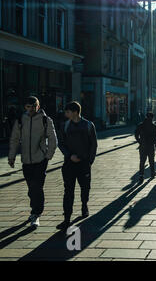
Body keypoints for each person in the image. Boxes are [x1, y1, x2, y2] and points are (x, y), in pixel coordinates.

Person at [8, 96, 58, 228]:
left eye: (33, 106)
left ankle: (36, 213)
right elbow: (14, 139)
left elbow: (53, 139)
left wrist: (48, 155)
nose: (31, 109)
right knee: (31, 188)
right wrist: (11, 156)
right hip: (26, 160)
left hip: (40, 159)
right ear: (25, 107)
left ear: (38, 106)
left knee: (37, 187)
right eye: (28, 107)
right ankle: (35, 208)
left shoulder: (45, 120)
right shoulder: (20, 120)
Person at [57, 101, 98, 231]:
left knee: (85, 187)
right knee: (68, 191)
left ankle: (84, 205)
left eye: (67, 111)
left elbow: (94, 144)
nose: (65, 114)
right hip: (69, 164)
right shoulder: (65, 125)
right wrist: (69, 156)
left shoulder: (88, 125)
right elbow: (61, 143)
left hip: (84, 164)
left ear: (75, 112)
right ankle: (67, 218)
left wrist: (89, 161)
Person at [135, 112, 156, 184]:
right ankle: (152, 173)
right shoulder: (154, 126)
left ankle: (141, 175)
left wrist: (140, 142)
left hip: (143, 146)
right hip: (151, 146)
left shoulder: (141, 125)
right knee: (151, 160)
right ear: (152, 117)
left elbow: (136, 134)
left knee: (142, 161)